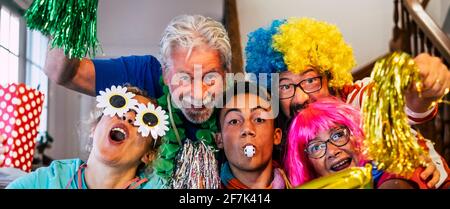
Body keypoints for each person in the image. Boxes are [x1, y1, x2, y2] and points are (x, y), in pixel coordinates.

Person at [244, 17, 450, 188]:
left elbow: (401, 102)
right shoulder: (278, 136)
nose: (301, 98)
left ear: (330, 77)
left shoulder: (356, 100)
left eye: (310, 80)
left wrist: (423, 81)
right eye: (285, 87)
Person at [42, 15, 232, 188]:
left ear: (227, 73)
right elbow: (59, 71)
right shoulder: (143, 74)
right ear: (165, 74)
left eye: (209, 77)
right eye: (183, 77)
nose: (198, 93)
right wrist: (71, 10)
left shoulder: (241, 106)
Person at [7, 86, 168, 189]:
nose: (128, 116)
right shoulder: (46, 182)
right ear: (93, 128)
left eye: (146, 118)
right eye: (119, 105)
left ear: (149, 155)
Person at [284, 97, 450, 189]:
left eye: (337, 135)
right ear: (308, 164)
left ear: (356, 135)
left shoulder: (393, 166)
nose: (332, 151)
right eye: (316, 147)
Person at [216, 81, 291, 189]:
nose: (247, 129)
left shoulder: (302, 184)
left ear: (276, 136)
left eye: (259, 119)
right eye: (234, 121)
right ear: (220, 140)